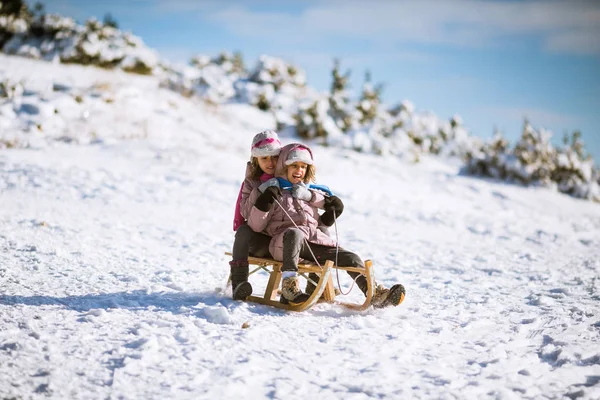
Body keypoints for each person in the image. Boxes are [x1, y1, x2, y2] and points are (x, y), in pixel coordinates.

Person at [247, 142, 405, 308]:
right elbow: (256, 226)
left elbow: (318, 222)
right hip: (284, 243)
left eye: (303, 166)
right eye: (294, 165)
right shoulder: (273, 190)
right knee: (295, 233)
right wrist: (265, 201)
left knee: (350, 257)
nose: (299, 170)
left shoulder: (310, 193)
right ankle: (289, 286)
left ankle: (374, 293)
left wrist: (322, 206)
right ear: (283, 166)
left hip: (313, 244)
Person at [229, 129, 282, 300]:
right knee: (243, 232)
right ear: (256, 159)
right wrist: (261, 189)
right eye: (264, 158)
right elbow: (245, 211)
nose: (270, 162)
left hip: (286, 242)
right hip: (262, 242)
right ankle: (239, 284)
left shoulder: (290, 178)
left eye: (274, 157)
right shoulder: (251, 183)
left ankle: (315, 283)